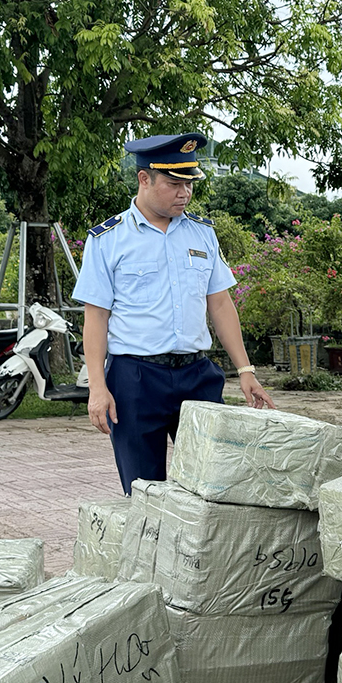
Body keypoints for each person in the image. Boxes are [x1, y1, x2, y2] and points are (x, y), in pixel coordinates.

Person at [73, 133, 274, 494]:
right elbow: (96, 317)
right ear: (144, 179)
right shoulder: (108, 239)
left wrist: (245, 370)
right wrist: (98, 388)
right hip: (135, 379)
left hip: (197, 376)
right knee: (144, 490)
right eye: (174, 183)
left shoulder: (202, 234)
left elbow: (220, 304)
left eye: (190, 183)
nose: (185, 193)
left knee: (211, 487)